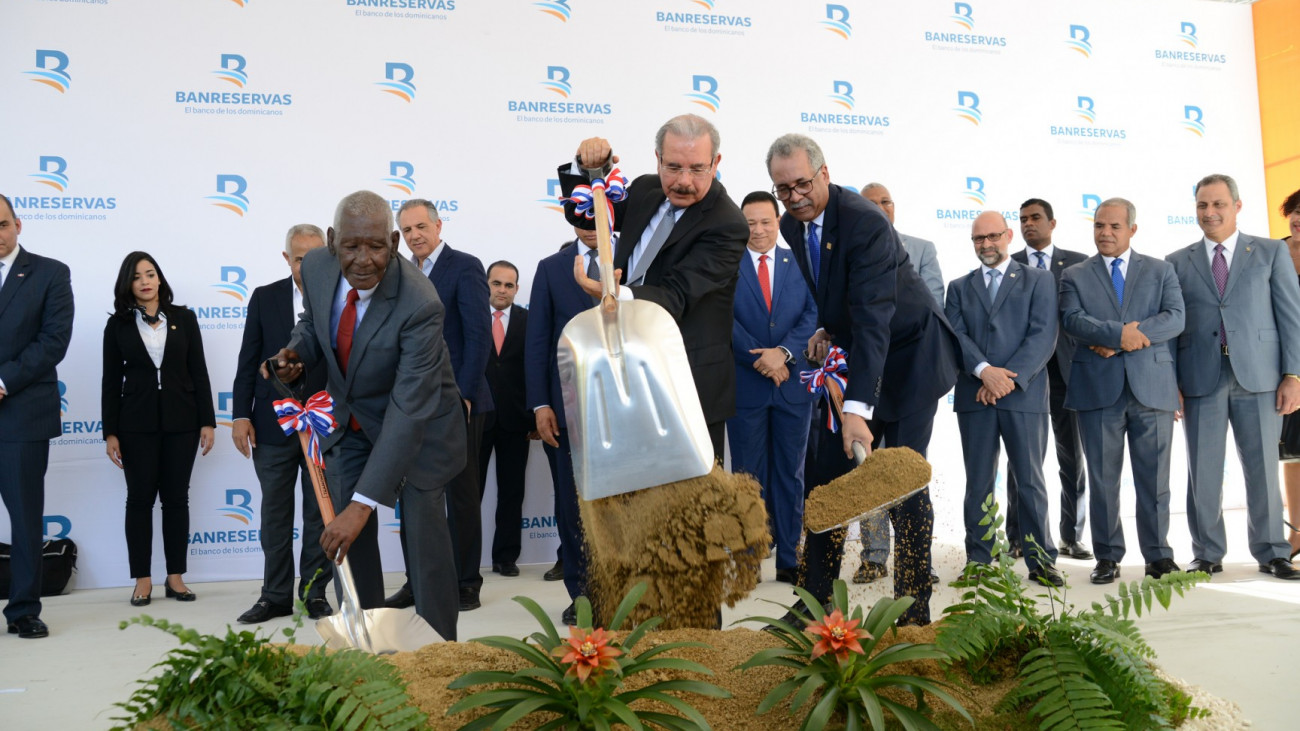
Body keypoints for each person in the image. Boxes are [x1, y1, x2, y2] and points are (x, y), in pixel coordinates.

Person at [766, 133, 959, 626]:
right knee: (827, 479)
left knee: (903, 478)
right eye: (783, 188)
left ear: (825, 174)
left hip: (911, 359)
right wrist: (828, 328)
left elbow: (875, 317)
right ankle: (814, 603)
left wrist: (856, 410)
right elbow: (838, 291)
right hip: (862, 352)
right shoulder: (791, 224)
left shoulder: (866, 223)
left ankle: (914, 609)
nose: (795, 196)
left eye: (803, 184)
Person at [266, 190, 466, 640]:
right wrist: (298, 352)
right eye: (352, 246)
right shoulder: (316, 267)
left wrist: (363, 505)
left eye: (376, 246)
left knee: (424, 546)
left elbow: (408, 409)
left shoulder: (421, 302)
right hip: (351, 423)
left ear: (394, 243)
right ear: (333, 241)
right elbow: (314, 323)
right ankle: (368, 644)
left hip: (421, 429)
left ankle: (439, 654)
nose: (364, 260)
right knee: (347, 545)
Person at [558, 113, 749, 460]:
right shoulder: (646, 189)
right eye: (673, 167)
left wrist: (614, 293)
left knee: (693, 505)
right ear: (657, 159)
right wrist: (588, 167)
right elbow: (585, 215)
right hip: (622, 374)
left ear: (716, 163)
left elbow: (676, 296)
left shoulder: (727, 224)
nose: (684, 181)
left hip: (686, 387)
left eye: (697, 168)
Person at [1166, 174, 1300, 580]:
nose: (1210, 213)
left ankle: (1272, 551)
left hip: (1259, 378)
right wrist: (1171, 382)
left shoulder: (1271, 252)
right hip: (1200, 378)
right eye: (1203, 205)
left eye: (1218, 204)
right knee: (1202, 471)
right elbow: (1173, 327)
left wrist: (1293, 374)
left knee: (1261, 469)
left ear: (1237, 207)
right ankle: (1206, 552)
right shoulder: (1177, 261)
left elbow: (1291, 318)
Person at [1059, 198, 1184, 584]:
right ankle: (1108, 557)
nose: (1105, 233)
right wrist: (1118, 334)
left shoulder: (1161, 270)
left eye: (1114, 226)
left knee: (1155, 479)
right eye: (1099, 226)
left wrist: (1128, 339)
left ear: (1132, 229)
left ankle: (1159, 556)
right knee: (1102, 481)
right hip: (1098, 391)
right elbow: (1071, 319)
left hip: (1152, 389)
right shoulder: (1075, 274)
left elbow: (1175, 317)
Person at [387, 199, 491, 612]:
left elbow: (478, 335)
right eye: (407, 230)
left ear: (437, 224)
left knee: (462, 496)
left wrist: (464, 395)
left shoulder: (465, 266)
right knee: (412, 496)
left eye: (420, 226)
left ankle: (467, 582)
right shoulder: (400, 274)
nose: (415, 235)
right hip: (412, 405)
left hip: (459, 403)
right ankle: (417, 581)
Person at [947, 211, 1061, 585]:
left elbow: (1042, 336)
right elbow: (956, 337)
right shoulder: (959, 287)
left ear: (1009, 235)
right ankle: (979, 560)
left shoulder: (1039, 280)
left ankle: (1040, 561)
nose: (986, 244)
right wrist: (984, 372)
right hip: (975, 395)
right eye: (979, 239)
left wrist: (1005, 379)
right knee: (978, 481)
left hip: (1022, 394)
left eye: (993, 236)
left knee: (1029, 480)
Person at [231, 224, 333, 623]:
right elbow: (247, 361)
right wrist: (240, 415)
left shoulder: (342, 298)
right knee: (274, 514)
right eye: (299, 257)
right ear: (287, 258)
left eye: (315, 256)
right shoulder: (264, 297)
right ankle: (274, 596)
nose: (306, 264)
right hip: (272, 428)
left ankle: (315, 593)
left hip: (324, 426)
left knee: (318, 514)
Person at [102, 252, 215, 606]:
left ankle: (176, 577)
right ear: (128, 285)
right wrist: (110, 432)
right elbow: (110, 381)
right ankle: (142, 579)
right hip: (135, 426)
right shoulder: (117, 325)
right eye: (137, 277)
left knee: (176, 500)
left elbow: (199, 371)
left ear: (160, 279)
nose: (146, 281)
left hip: (182, 423)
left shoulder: (185, 318)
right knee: (138, 501)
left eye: (150, 274)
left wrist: (207, 421)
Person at [726, 191, 817, 584]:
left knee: (790, 474)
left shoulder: (801, 261)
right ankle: (748, 558)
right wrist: (760, 359)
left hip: (793, 385)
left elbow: (814, 313)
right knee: (748, 475)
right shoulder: (727, 265)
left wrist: (783, 353)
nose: (758, 230)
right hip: (746, 385)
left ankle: (789, 560)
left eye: (765, 222)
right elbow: (723, 320)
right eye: (750, 223)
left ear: (778, 221)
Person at [855, 182, 944, 584]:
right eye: (869, 203)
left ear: (894, 207)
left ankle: (916, 561)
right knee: (868, 466)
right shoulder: (851, 254)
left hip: (913, 376)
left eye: (885, 202)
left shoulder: (921, 248)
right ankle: (874, 556)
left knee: (909, 468)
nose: (878, 208)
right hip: (867, 380)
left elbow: (932, 305)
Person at [0, 193, 73, 639]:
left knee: (26, 516)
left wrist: (3, 381)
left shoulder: (50, 273)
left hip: (21, 414)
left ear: (18, 225)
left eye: (2, 224)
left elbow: (54, 340)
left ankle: (23, 609)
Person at [1006, 198, 1091, 561]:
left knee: (1073, 459)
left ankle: (1071, 537)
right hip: (1025, 376)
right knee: (1021, 462)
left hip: (1070, 375)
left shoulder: (1078, 262)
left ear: (1052, 223)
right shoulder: (1010, 265)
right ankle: (1017, 537)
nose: (1029, 224)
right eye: (1023, 219)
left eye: (1035, 217)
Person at [526, 225, 603, 625]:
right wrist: (540, 403)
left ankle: (628, 591)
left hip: (626, 412)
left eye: (599, 217)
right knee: (572, 509)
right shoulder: (551, 268)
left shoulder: (634, 260)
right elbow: (538, 340)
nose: (591, 227)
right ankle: (583, 595)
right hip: (567, 407)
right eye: (583, 218)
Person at [478, 260, 532, 578]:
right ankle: (467, 558)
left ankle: (506, 557)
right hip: (477, 420)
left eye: (509, 285)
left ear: (516, 289)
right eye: (496, 283)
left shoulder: (528, 321)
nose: (502, 290)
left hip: (516, 420)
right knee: (471, 492)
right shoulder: (471, 318)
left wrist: (535, 414)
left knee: (512, 492)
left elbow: (534, 369)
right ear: (487, 284)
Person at [1277, 188, 1300, 558]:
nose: (1297, 218)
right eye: (1295, 210)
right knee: (1293, 454)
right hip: (1285, 369)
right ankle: (1296, 534)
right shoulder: (1272, 252)